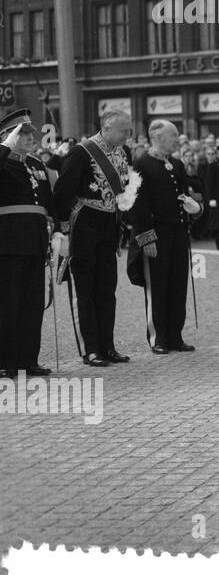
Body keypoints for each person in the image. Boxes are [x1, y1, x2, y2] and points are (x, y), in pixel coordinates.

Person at [52, 108, 136, 367]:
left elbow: (125, 188)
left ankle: (107, 346)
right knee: (85, 289)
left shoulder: (124, 153)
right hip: (85, 222)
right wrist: (63, 227)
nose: (128, 135)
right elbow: (64, 190)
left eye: (129, 130)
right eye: (124, 130)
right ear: (107, 127)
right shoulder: (82, 152)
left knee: (106, 288)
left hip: (109, 225)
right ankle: (91, 349)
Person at [129, 120, 203, 354]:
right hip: (157, 235)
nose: (177, 139)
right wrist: (146, 238)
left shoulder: (178, 164)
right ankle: (157, 337)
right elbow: (137, 205)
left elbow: (184, 196)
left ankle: (175, 335)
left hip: (178, 232)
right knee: (157, 287)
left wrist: (195, 208)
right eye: (173, 135)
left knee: (178, 284)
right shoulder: (141, 164)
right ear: (157, 137)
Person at [0, 109, 58, 378]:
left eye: (29, 133)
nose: (29, 137)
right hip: (8, 245)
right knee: (7, 305)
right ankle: (5, 362)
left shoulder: (35, 165)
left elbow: (47, 203)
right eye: (21, 134)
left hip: (35, 244)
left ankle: (28, 359)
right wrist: (5, 147)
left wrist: (57, 231)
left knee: (32, 305)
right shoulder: (3, 162)